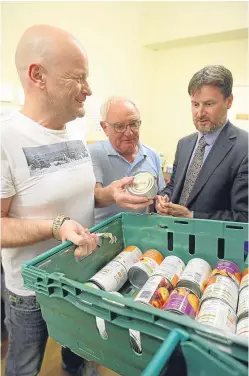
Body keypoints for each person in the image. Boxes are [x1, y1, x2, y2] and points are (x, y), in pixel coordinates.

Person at [1, 25, 152, 376]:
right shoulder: (6, 137)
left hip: (83, 276)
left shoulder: (74, 130)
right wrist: (56, 227)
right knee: (23, 367)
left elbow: (80, 196)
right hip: (31, 292)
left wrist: (106, 194)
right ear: (38, 76)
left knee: (82, 361)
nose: (89, 89)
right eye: (78, 78)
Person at [156, 65, 248, 222]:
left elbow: (244, 217)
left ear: (229, 101)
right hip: (173, 237)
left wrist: (191, 217)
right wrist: (163, 199)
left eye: (209, 104)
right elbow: (174, 186)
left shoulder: (244, 148)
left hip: (212, 243)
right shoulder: (184, 144)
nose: (200, 113)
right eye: (195, 104)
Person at [88, 96, 166, 224]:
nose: (129, 133)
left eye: (134, 124)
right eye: (120, 126)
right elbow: (92, 197)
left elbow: (161, 194)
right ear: (105, 127)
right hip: (106, 237)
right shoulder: (93, 153)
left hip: (143, 234)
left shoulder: (152, 154)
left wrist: (161, 203)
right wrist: (111, 194)